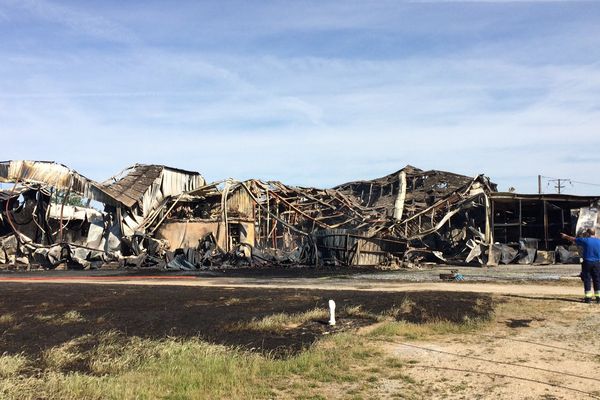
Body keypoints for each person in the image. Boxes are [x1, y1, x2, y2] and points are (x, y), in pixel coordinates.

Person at [561, 228, 600, 303]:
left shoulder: (586, 240)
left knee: (587, 279)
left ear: (588, 234)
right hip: (597, 262)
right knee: (597, 279)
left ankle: (588, 298)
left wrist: (565, 236)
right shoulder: (599, 241)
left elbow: (573, 239)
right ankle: (598, 297)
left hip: (587, 262)